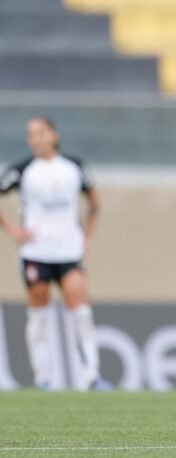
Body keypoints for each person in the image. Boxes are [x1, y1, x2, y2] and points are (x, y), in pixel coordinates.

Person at [0, 116, 110, 391]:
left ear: (54, 135)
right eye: (30, 134)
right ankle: (44, 378)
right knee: (40, 314)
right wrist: (13, 231)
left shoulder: (74, 167)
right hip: (36, 252)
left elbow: (94, 203)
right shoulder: (22, 170)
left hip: (69, 252)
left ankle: (91, 376)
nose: (35, 138)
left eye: (41, 132)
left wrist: (87, 235)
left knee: (81, 310)